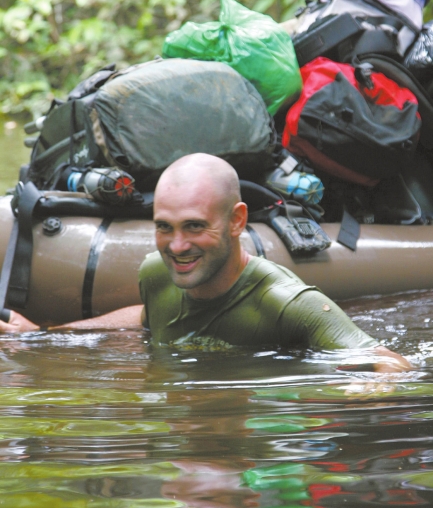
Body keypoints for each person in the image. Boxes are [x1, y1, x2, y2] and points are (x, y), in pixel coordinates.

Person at [0, 153, 410, 373]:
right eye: (165, 227)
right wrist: (45, 334)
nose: (177, 246)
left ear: (236, 221)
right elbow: (146, 315)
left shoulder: (286, 302)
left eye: (195, 226)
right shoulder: (155, 273)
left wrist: (367, 389)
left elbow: (393, 362)